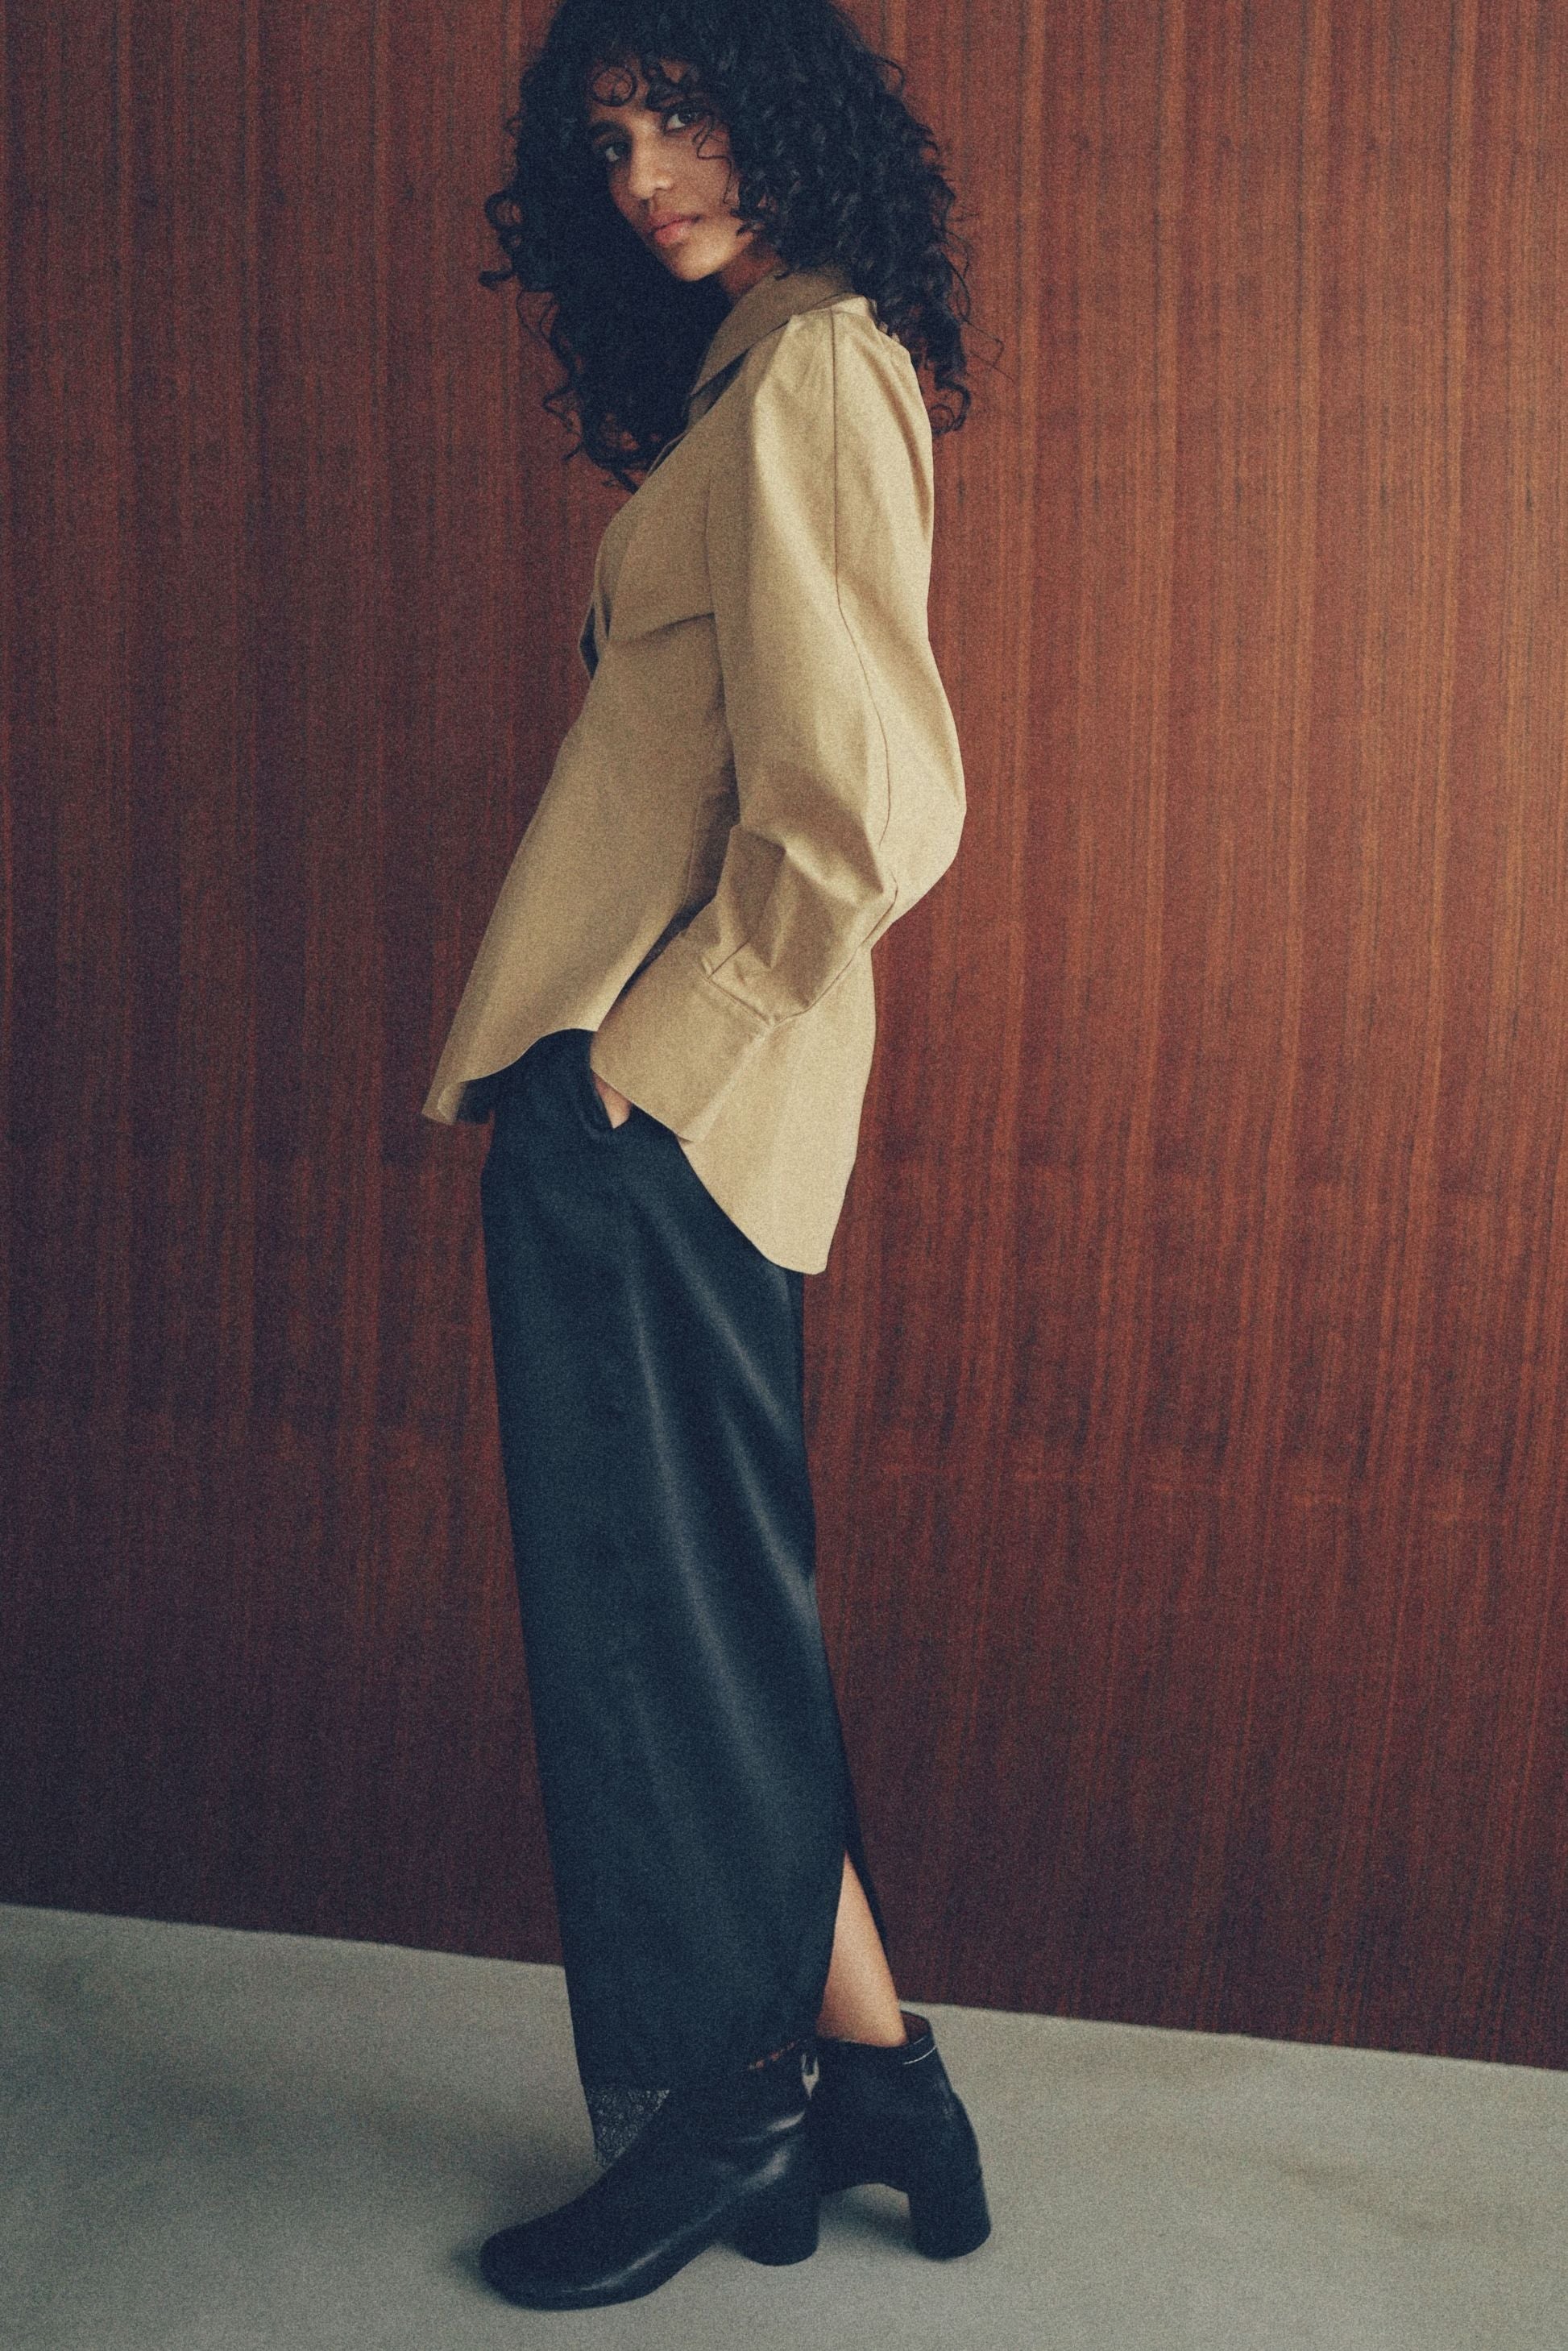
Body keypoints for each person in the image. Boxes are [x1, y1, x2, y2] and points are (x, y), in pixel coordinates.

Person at [421, 0, 988, 2310]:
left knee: (653, 1638)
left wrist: (653, 1056)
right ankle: (879, 2080)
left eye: (683, 110)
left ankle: (721, 2115)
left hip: (661, 1109)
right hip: (648, 1108)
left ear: (789, 108)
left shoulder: (818, 371)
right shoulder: (754, 374)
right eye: (609, 136)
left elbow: (872, 807)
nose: (645, 170)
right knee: (704, 1624)